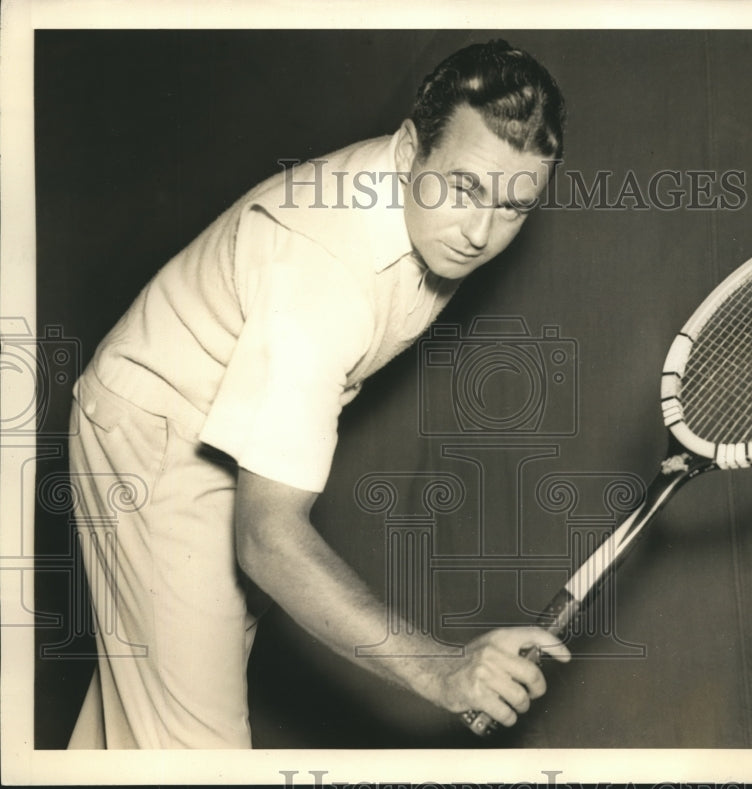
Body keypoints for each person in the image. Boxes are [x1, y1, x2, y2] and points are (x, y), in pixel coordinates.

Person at [67, 39, 571, 749]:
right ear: (406, 152)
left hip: (221, 429)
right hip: (153, 433)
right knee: (196, 752)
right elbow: (267, 536)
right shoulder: (325, 271)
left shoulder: (429, 216)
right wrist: (442, 670)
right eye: (464, 188)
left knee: (143, 721)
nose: (481, 232)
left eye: (514, 207)